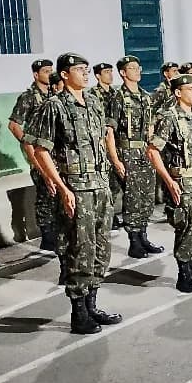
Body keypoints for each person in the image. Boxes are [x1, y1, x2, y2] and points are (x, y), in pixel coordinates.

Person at [31, 53, 122, 335]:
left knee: (101, 248)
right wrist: (60, 186)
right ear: (64, 74)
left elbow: (103, 139)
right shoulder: (54, 106)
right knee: (79, 249)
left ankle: (92, 305)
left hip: (100, 185)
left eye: (86, 69)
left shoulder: (94, 102)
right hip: (76, 189)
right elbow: (41, 150)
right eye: (80, 69)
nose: (85, 74)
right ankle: (79, 313)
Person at [147, 74, 192, 293]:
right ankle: (184, 275)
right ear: (178, 93)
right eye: (190, 89)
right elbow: (152, 151)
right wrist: (169, 181)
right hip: (183, 183)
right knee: (186, 228)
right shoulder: (170, 117)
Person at [104, 55, 164, 259]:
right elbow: (109, 131)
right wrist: (115, 160)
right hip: (127, 152)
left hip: (145, 152)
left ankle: (143, 236)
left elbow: (150, 125)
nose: (138, 71)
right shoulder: (118, 98)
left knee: (146, 197)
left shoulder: (146, 96)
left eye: (139, 67)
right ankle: (134, 241)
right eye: (132, 68)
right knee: (132, 198)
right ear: (123, 72)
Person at [8, 59, 58, 252]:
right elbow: (14, 125)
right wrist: (28, 143)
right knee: (45, 193)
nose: (49, 74)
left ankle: (57, 232)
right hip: (39, 152)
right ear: (36, 75)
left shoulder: (55, 93)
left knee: (56, 194)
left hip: (55, 152)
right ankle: (47, 236)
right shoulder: (28, 97)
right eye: (46, 71)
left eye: (51, 70)